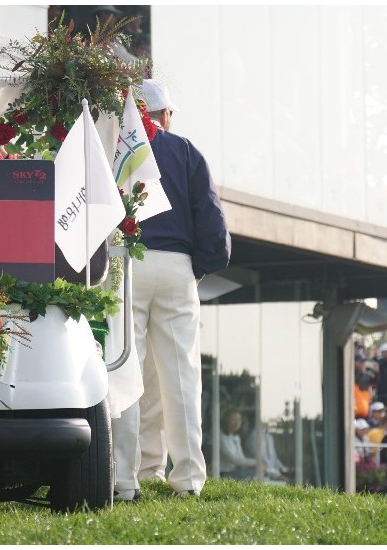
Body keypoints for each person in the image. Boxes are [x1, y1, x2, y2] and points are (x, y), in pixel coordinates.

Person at [114, 78, 231, 500]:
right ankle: (188, 479)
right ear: (164, 114)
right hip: (176, 267)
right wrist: (198, 267)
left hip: (125, 262)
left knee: (124, 371)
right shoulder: (185, 150)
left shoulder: (114, 146)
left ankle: (123, 479)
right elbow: (211, 219)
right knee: (182, 376)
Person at [219, 411, 260, 480]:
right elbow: (233, 459)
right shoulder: (221, 437)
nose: (236, 423)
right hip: (224, 474)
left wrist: (256, 463)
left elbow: (241, 458)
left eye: (239, 420)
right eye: (233, 419)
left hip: (236, 472)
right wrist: (256, 462)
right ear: (226, 421)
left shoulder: (236, 438)